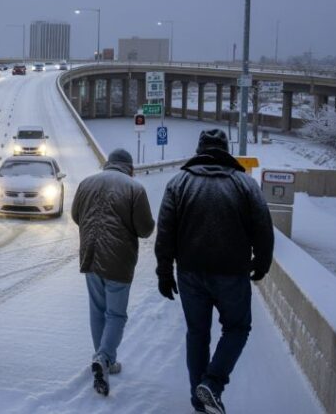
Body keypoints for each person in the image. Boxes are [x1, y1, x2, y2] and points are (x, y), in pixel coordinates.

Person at [155, 129, 274, 414]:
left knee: (197, 333)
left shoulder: (178, 183)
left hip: (190, 272)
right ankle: (212, 384)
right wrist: (262, 262)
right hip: (232, 272)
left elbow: (165, 233)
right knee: (237, 328)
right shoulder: (244, 184)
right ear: (226, 150)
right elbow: (263, 228)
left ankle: (200, 401)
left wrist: (164, 272)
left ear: (199, 150)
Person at [71, 148, 155, 396]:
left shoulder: (87, 183)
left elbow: (77, 215)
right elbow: (145, 229)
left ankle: (102, 359)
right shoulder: (134, 188)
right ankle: (105, 358)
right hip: (118, 258)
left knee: (97, 309)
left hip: (90, 253)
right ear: (130, 168)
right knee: (116, 314)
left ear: (108, 164)